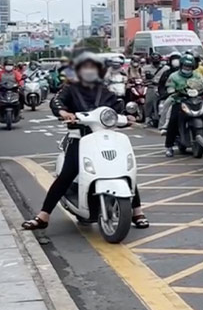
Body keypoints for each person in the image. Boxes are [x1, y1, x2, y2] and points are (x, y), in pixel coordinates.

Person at [21, 52, 148, 231]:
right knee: (66, 175)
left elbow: (117, 107)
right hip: (80, 138)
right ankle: (43, 215)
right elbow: (57, 102)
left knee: (124, 171)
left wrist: (128, 116)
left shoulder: (105, 91)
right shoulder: (70, 89)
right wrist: (64, 113)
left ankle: (137, 212)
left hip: (105, 138)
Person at [163, 54, 203, 157]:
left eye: (189, 67)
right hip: (179, 101)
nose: (187, 68)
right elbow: (169, 87)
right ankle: (169, 146)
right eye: (185, 66)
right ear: (181, 65)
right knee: (173, 120)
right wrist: (172, 91)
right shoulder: (174, 76)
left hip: (195, 101)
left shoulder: (197, 75)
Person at [157, 52, 182, 131]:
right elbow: (161, 85)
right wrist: (165, 94)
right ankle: (163, 125)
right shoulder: (167, 73)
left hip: (186, 96)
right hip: (173, 95)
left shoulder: (191, 74)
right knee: (166, 105)